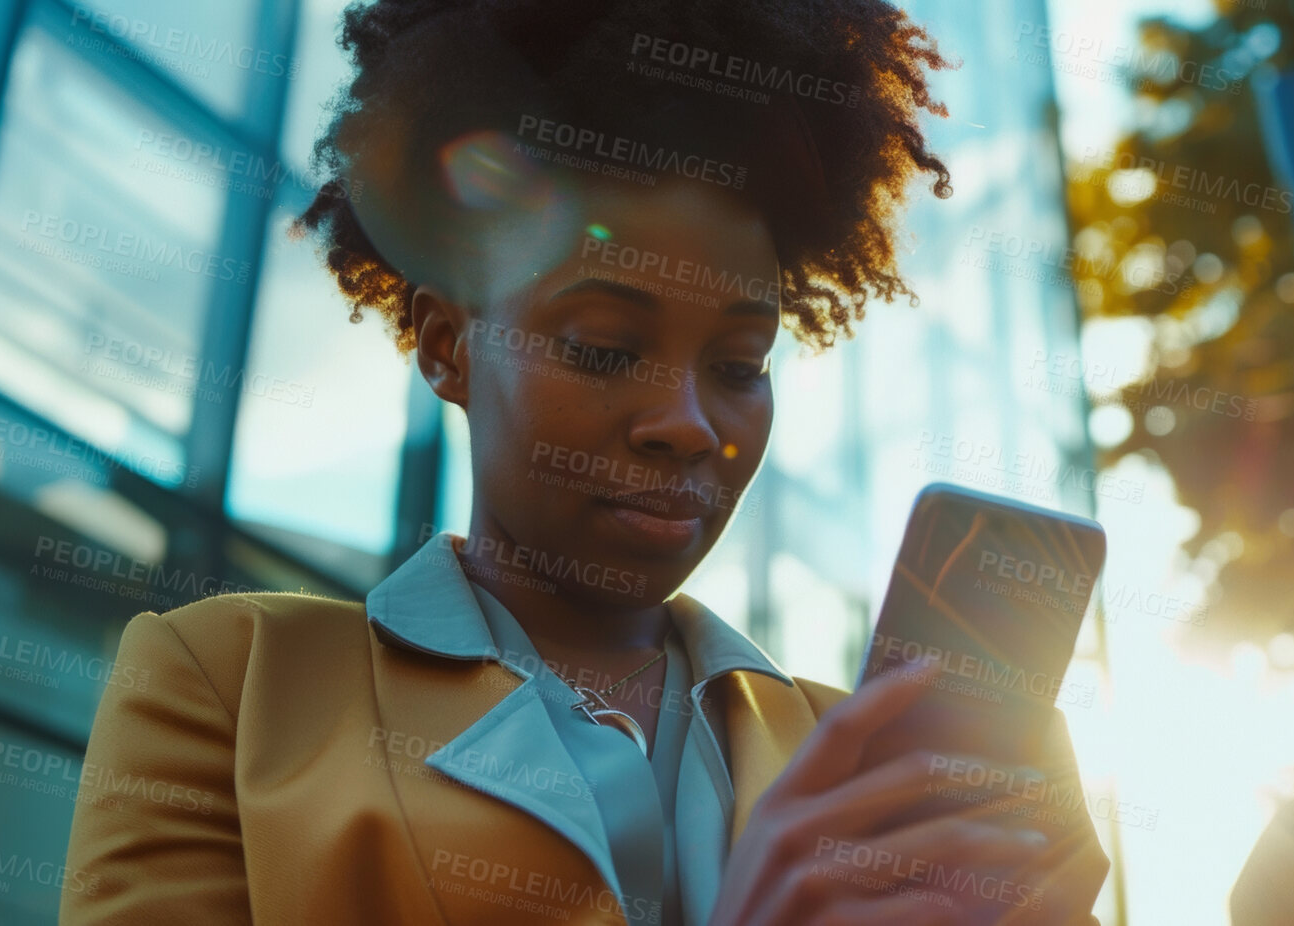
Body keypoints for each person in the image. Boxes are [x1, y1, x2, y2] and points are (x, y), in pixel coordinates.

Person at [58, 1, 1111, 923]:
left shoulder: (874, 769)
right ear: (446, 343)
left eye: (741, 361)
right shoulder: (232, 684)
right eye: (605, 345)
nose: (690, 422)